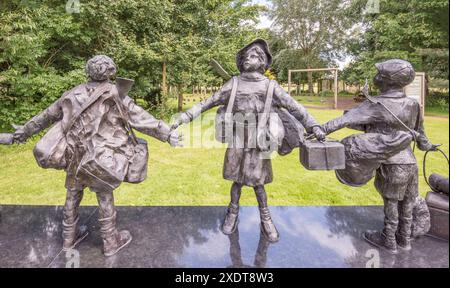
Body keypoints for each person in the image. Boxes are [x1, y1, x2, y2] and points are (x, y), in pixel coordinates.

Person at [13, 55, 182, 256]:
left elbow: (46, 116)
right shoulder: (115, 94)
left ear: (89, 71)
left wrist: (24, 131)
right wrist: (167, 134)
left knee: (73, 193)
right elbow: (141, 118)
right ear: (110, 72)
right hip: (101, 157)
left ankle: (68, 239)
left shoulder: (73, 94)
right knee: (104, 196)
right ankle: (111, 241)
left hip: (75, 155)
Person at [172, 39, 325, 242]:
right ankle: (232, 213)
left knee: (258, 183)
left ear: (262, 62)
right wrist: (184, 117)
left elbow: (294, 106)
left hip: (260, 141)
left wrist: (313, 125)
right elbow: (207, 102)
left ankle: (266, 218)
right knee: (236, 181)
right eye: (245, 56)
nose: (247, 59)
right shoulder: (233, 83)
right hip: (237, 139)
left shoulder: (270, 86)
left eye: (252, 56)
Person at [321, 59, 439, 254]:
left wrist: (321, 129)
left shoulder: (376, 104)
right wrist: (429, 146)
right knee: (407, 202)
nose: (375, 77)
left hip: (390, 162)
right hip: (410, 162)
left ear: (387, 80)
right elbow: (422, 137)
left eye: (379, 75)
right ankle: (405, 240)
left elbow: (344, 120)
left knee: (391, 202)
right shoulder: (413, 104)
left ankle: (389, 239)